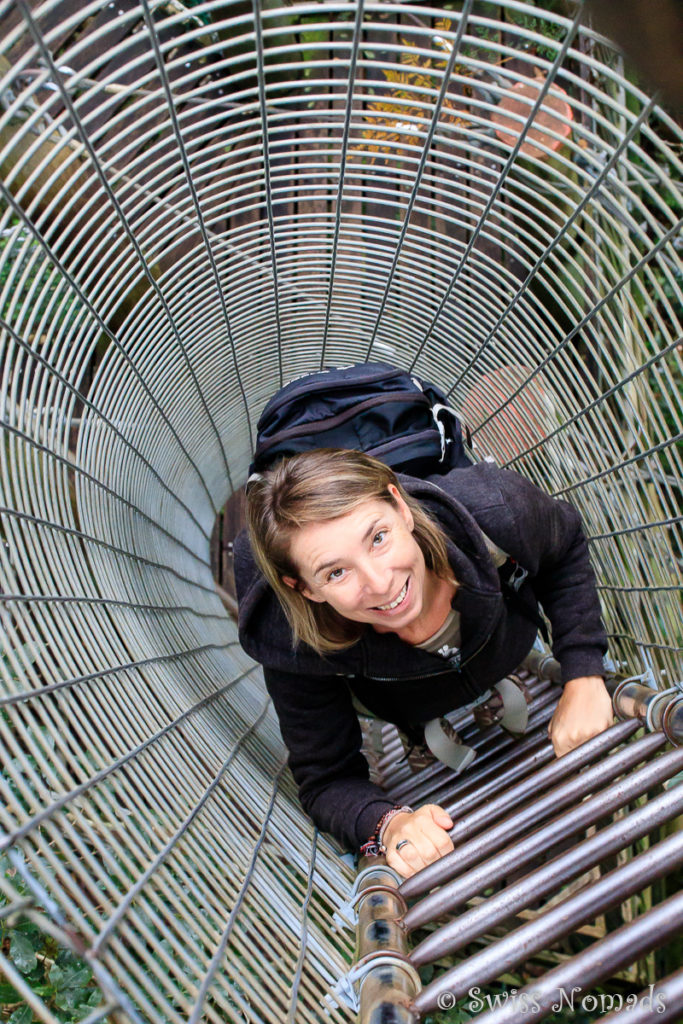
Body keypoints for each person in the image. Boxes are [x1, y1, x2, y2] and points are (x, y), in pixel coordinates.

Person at [235, 448, 614, 879]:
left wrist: (583, 671)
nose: (380, 584)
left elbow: (564, 543)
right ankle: (419, 727)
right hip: (398, 699)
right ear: (303, 588)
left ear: (402, 507)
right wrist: (389, 823)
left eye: (377, 538)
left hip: (502, 643)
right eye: (335, 573)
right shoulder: (294, 642)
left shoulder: (494, 511)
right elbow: (326, 779)